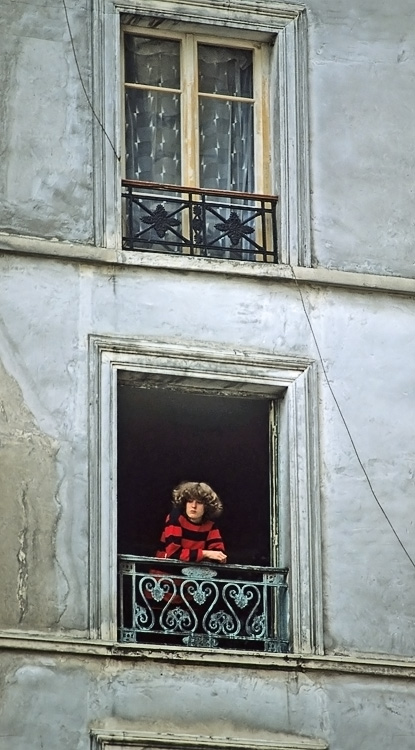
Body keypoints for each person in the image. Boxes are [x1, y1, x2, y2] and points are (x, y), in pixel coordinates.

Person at [155, 481, 227, 564]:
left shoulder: (210, 526)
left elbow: (219, 555)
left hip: (191, 574)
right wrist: (205, 553)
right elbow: (173, 553)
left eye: (199, 502)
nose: (193, 506)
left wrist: (210, 556)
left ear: (207, 506)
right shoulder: (175, 519)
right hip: (165, 574)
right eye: (189, 501)